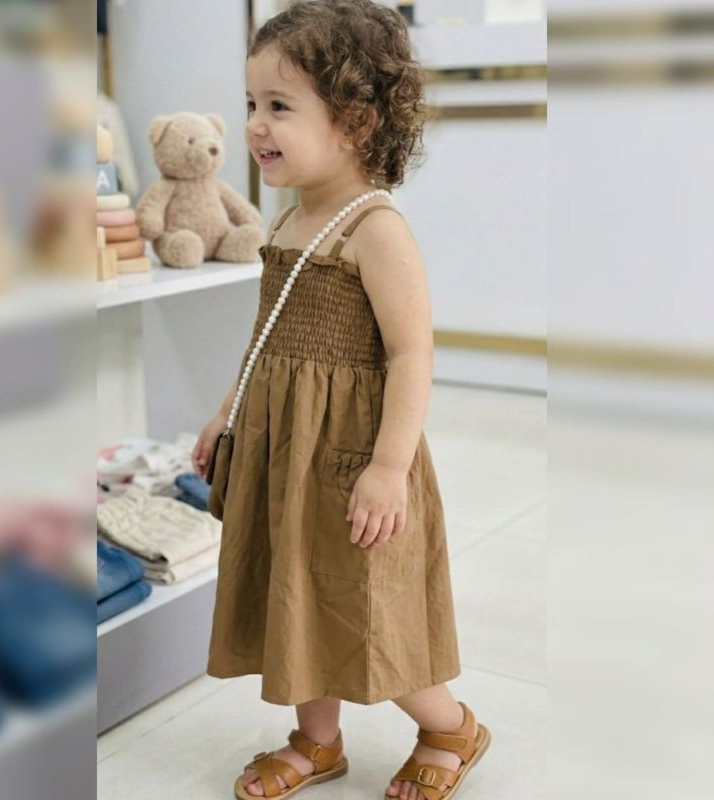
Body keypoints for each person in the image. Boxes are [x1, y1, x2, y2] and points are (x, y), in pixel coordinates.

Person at [191, 2, 491, 799]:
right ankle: (316, 741)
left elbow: (411, 352)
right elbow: (267, 336)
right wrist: (228, 411)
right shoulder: (288, 221)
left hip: (352, 454)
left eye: (279, 106)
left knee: (365, 605)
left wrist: (389, 467)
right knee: (297, 595)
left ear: (356, 120)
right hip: (286, 446)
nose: (255, 125)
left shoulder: (374, 228)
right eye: (251, 103)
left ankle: (449, 726)